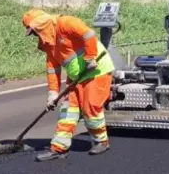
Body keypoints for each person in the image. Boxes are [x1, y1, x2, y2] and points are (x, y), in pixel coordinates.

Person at [22, 9, 115, 162]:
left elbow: (88, 34)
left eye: (34, 31)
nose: (35, 35)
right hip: (76, 77)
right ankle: (59, 148)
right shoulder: (49, 44)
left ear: (41, 24)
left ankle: (101, 141)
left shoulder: (66, 23)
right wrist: (53, 95)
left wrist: (90, 58)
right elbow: (53, 70)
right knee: (67, 112)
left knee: (90, 107)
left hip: (97, 71)